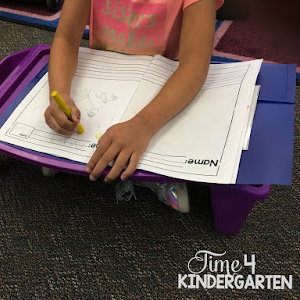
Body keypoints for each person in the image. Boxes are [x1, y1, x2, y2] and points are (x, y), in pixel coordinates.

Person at [44, 0, 223, 211]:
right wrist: (61, 93)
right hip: (103, 84)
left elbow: (194, 65)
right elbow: (66, 39)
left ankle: (156, 172)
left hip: (165, 92)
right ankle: (68, 155)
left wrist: (143, 126)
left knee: (175, 129)